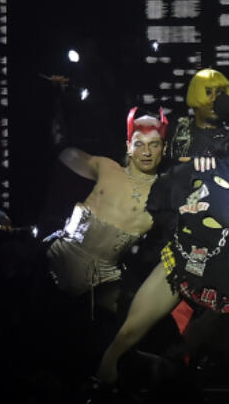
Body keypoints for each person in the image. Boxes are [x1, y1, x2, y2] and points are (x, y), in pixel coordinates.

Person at [96, 110, 229, 391]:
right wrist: (179, 226)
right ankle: (98, 393)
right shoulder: (206, 167)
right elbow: (161, 195)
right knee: (128, 334)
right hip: (183, 265)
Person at [44, 107, 166, 312]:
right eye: (139, 144)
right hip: (54, 262)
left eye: (153, 145)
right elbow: (67, 154)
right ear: (129, 145)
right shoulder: (106, 166)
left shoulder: (164, 193)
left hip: (99, 288)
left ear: (163, 147)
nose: (146, 152)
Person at [165, 69, 229, 163]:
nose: (214, 99)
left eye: (219, 93)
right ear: (195, 95)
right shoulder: (177, 130)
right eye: (208, 92)